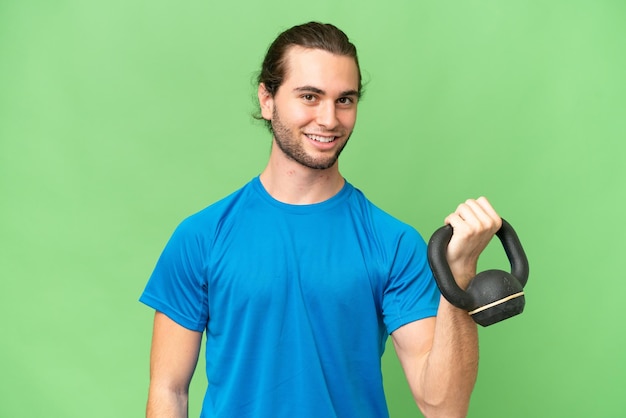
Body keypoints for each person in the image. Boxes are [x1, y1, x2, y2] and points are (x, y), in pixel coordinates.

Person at [140, 21, 502, 418]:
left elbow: (444, 407)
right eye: (310, 96)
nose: (329, 119)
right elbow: (169, 391)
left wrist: (459, 276)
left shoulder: (393, 242)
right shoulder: (201, 237)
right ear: (267, 99)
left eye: (344, 100)